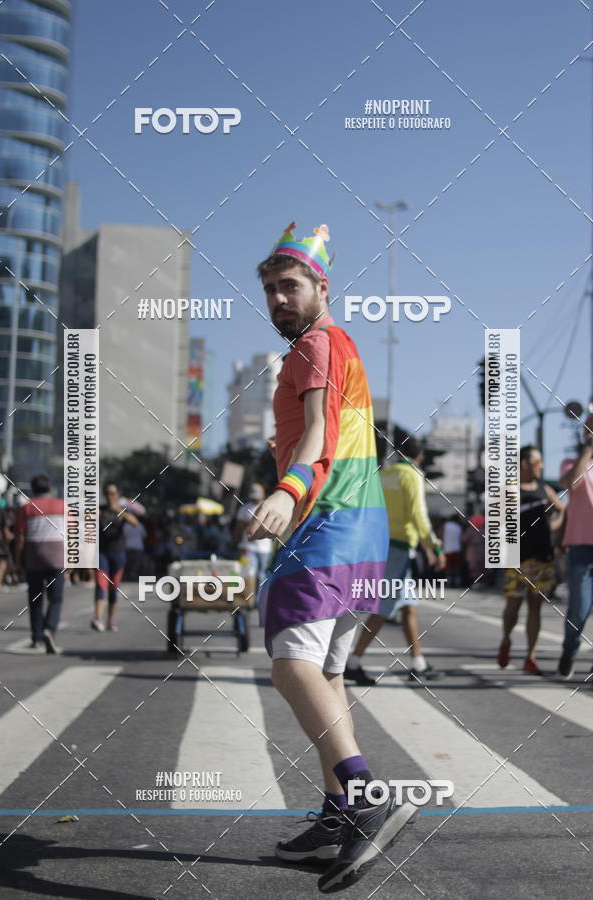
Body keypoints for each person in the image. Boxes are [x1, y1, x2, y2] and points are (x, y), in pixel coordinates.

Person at [247, 222, 418, 893]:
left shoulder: (316, 344)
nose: (278, 298)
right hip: (364, 534)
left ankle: (367, 797)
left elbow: (317, 433)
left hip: (330, 526)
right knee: (326, 672)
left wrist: (286, 491)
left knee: (290, 663)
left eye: (289, 285)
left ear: (322, 286)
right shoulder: (335, 345)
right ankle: (337, 813)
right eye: (269, 289)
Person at [345, 437, 446, 686]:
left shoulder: (383, 474)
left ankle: (418, 663)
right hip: (399, 547)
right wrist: (434, 546)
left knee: (408, 607)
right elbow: (418, 514)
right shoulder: (411, 475)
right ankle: (352, 663)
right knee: (383, 608)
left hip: (379, 545)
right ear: (420, 456)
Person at [498, 446, 564, 675]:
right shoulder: (510, 489)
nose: (541, 466)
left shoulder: (545, 489)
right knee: (513, 606)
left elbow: (562, 510)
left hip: (542, 558)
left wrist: (551, 528)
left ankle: (530, 657)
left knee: (535, 607)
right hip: (516, 558)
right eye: (537, 462)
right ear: (524, 463)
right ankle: (506, 639)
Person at [557, 415, 593, 679]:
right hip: (581, 547)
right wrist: (588, 451)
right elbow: (571, 483)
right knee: (579, 608)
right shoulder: (572, 463)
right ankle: (570, 649)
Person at [14, 474, 65, 654]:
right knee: (56, 598)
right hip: (57, 557)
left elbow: (20, 538)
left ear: (33, 489)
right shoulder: (62, 506)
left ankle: (36, 638)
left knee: (35, 599)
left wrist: (18, 561)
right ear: (49, 488)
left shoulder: (26, 508)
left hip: (33, 557)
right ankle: (49, 629)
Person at [91, 483, 139, 632]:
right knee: (101, 585)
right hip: (101, 553)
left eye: (112, 493)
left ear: (117, 495)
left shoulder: (122, 511)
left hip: (118, 553)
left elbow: (135, 523)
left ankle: (111, 620)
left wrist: (119, 511)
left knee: (113, 588)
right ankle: (98, 619)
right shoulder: (100, 510)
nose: (109, 496)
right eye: (107, 493)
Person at [233, 483, 273, 585]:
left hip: (265, 549)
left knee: (262, 576)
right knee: (249, 574)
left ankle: (259, 595)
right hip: (248, 547)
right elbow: (238, 528)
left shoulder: (269, 508)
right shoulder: (244, 509)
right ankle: (249, 594)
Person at [443, 514, 463, 587]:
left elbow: (441, 534)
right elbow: (461, 538)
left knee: (448, 567)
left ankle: (449, 581)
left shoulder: (446, 525)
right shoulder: (459, 527)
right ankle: (457, 581)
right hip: (457, 548)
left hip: (447, 549)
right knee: (457, 567)